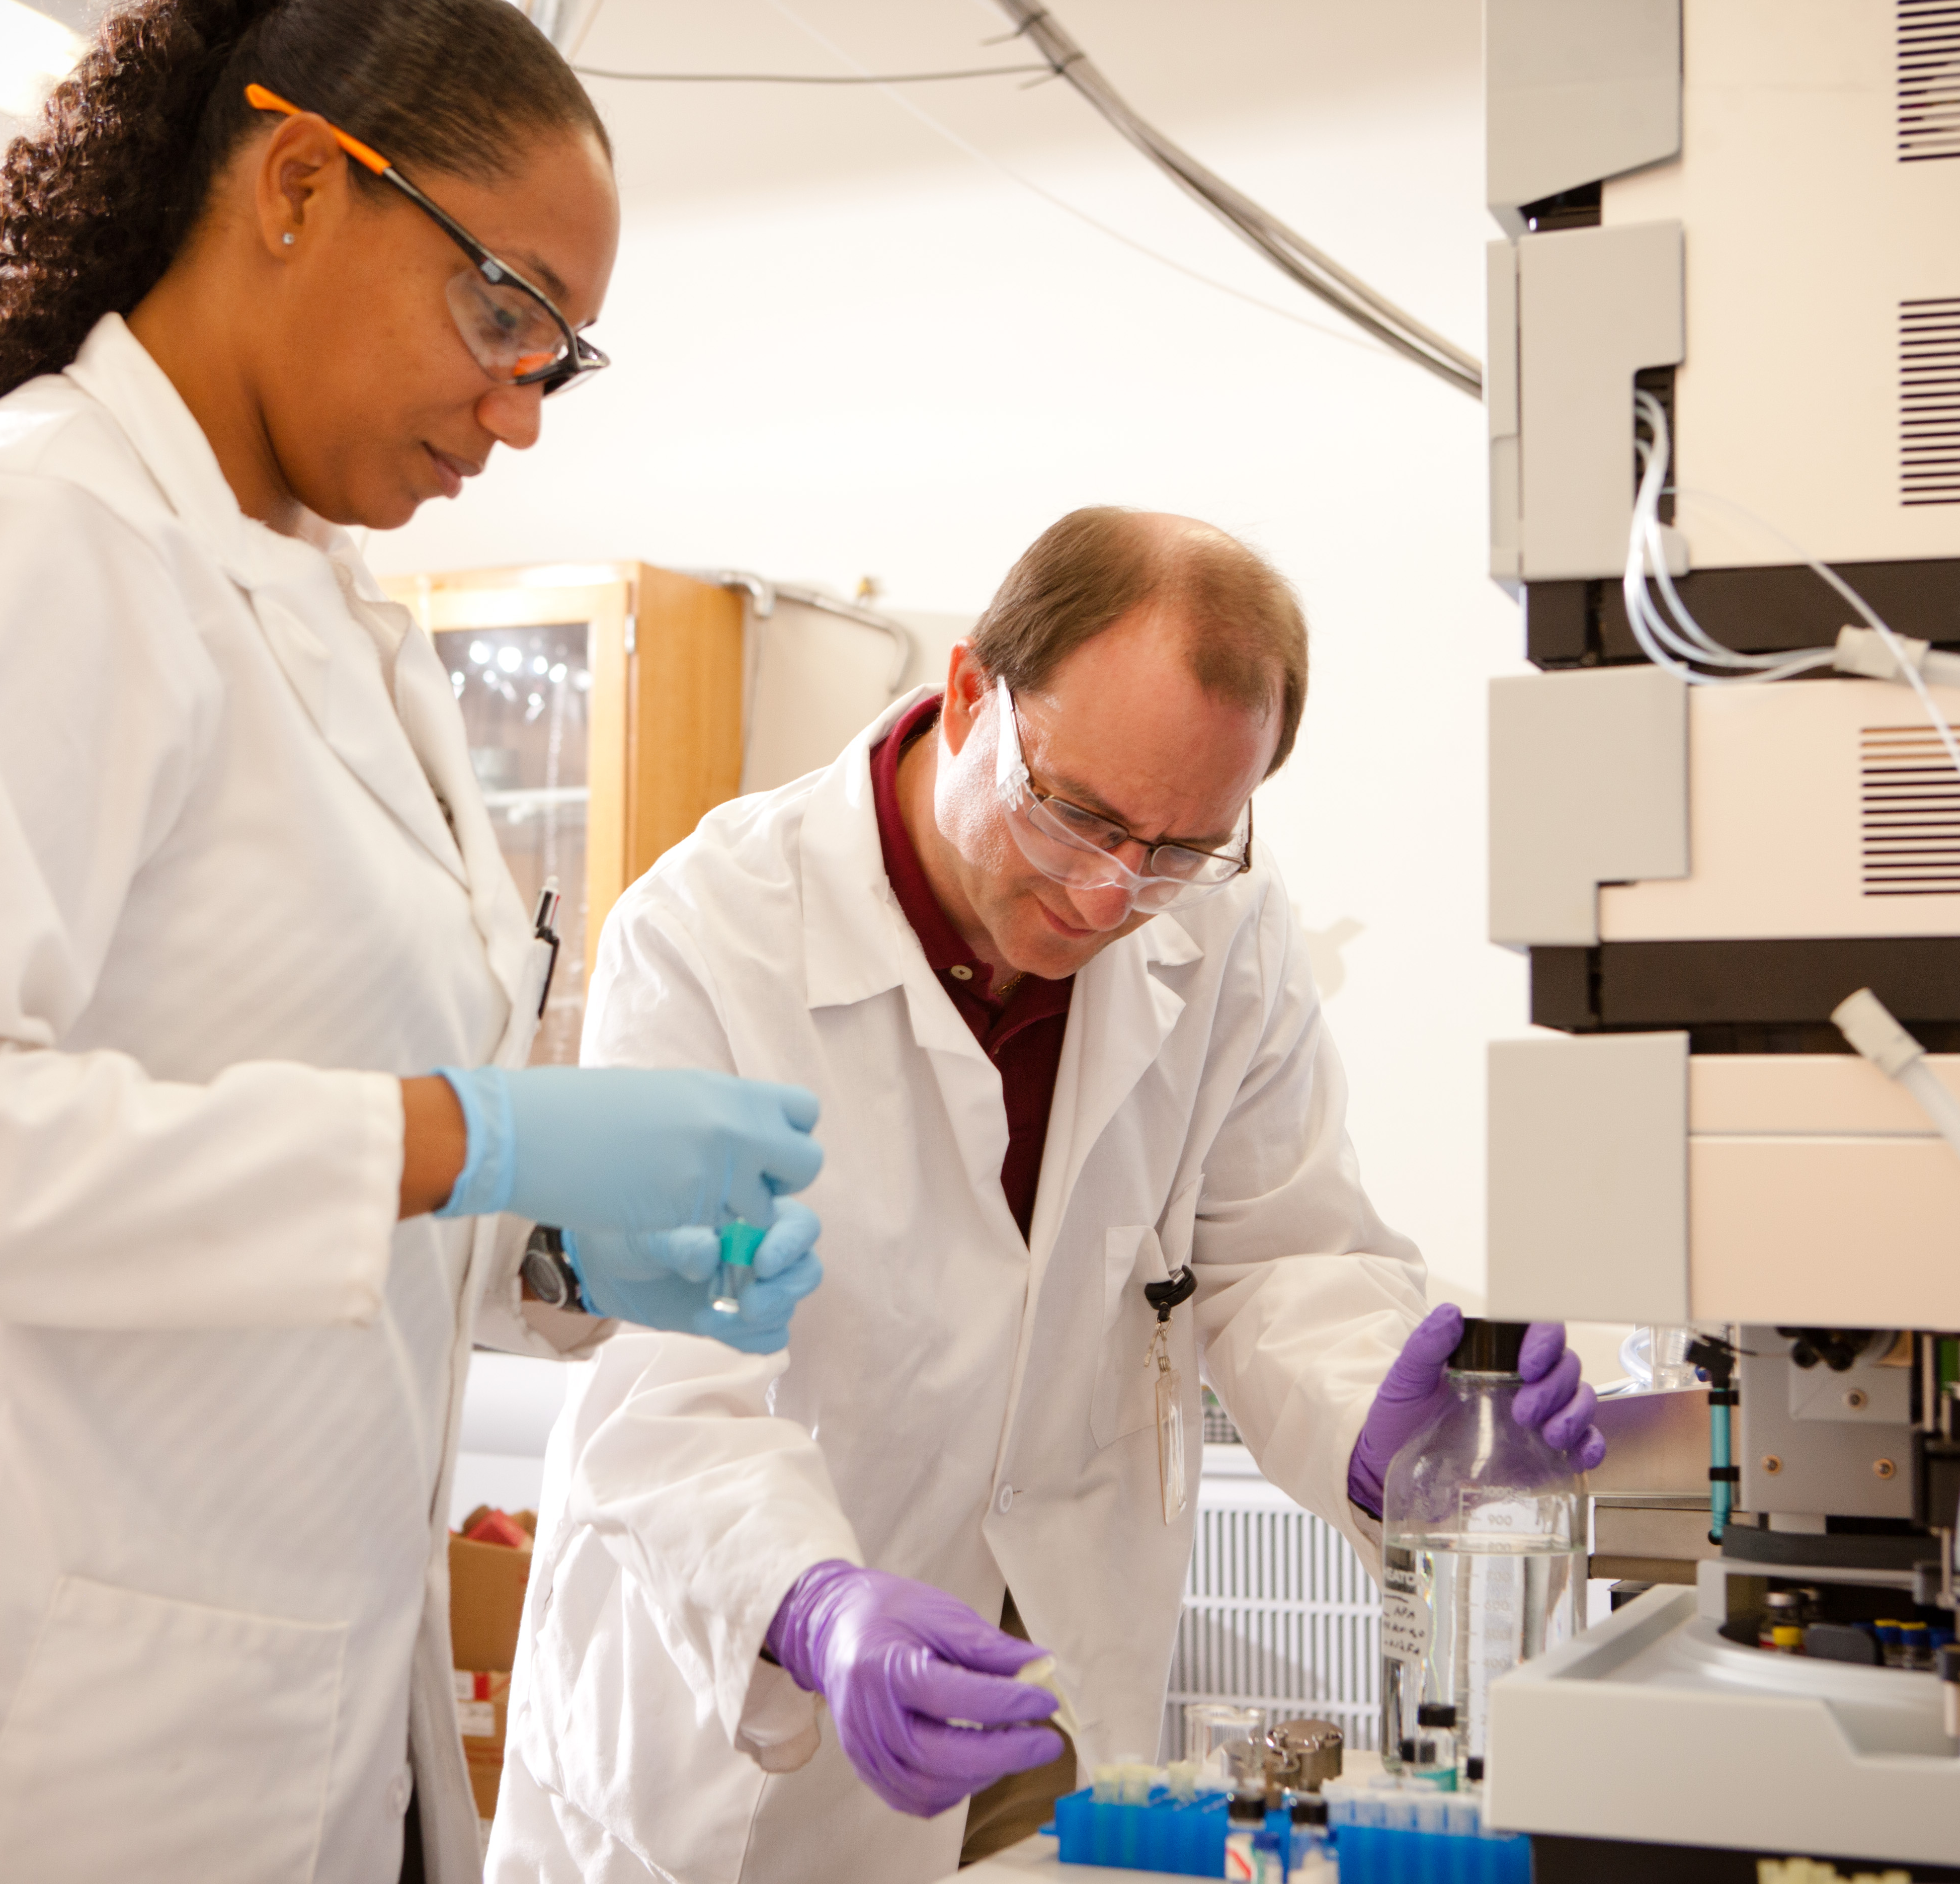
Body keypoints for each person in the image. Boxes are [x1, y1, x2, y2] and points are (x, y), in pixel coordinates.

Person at [0, 6, 824, 1881]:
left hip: (266, 1677)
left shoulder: (335, 611)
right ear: (297, 186)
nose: (521, 409)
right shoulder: (30, 528)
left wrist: (555, 1238)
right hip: (5, 1679)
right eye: (502, 312)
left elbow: (282, 1135)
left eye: (558, 357)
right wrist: (468, 1134)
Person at [483, 510, 1609, 1883]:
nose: (1109, 893)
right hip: (749, 1720)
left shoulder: (1227, 926)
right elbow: (663, 1377)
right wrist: (814, 1606)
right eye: (1079, 816)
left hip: (1044, 1695)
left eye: (1181, 848)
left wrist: (1385, 1428)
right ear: (972, 694)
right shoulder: (713, 934)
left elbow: (1280, 1261)